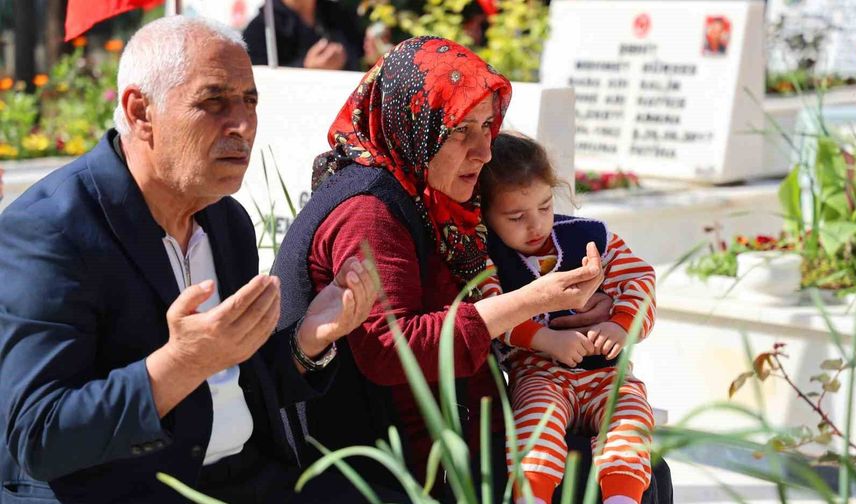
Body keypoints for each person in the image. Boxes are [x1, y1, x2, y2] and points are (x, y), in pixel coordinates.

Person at [0, 16, 380, 503]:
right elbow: (39, 436)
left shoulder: (227, 222)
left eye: (249, 100)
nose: (241, 125)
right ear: (141, 112)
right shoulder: (50, 232)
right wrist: (179, 364)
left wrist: (309, 341)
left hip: (245, 480)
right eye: (214, 101)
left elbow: (236, 383)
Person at [271, 36, 609, 498]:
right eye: (459, 131)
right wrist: (537, 298)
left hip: (441, 448)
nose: (485, 151)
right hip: (380, 473)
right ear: (413, 124)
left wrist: (575, 302)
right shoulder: (369, 210)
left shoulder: (427, 195)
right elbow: (394, 347)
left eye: (488, 125)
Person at [479, 132, 657, 504]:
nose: (536, 226)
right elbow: (491, 309)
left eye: (545, 207)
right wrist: (546, 340)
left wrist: (620, 326)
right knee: (535, 424)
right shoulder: (487, 257)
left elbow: (639, 280)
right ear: (484, 211)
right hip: (539, 373)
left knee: (629, 414)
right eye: (516, 217)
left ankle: (622, 497)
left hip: (605, 373)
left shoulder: (590, 237)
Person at [243, 0, 364, 70]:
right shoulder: (261, 28)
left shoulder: (340, 15)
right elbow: (259, 84)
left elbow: (361, 57)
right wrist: (306, 68)